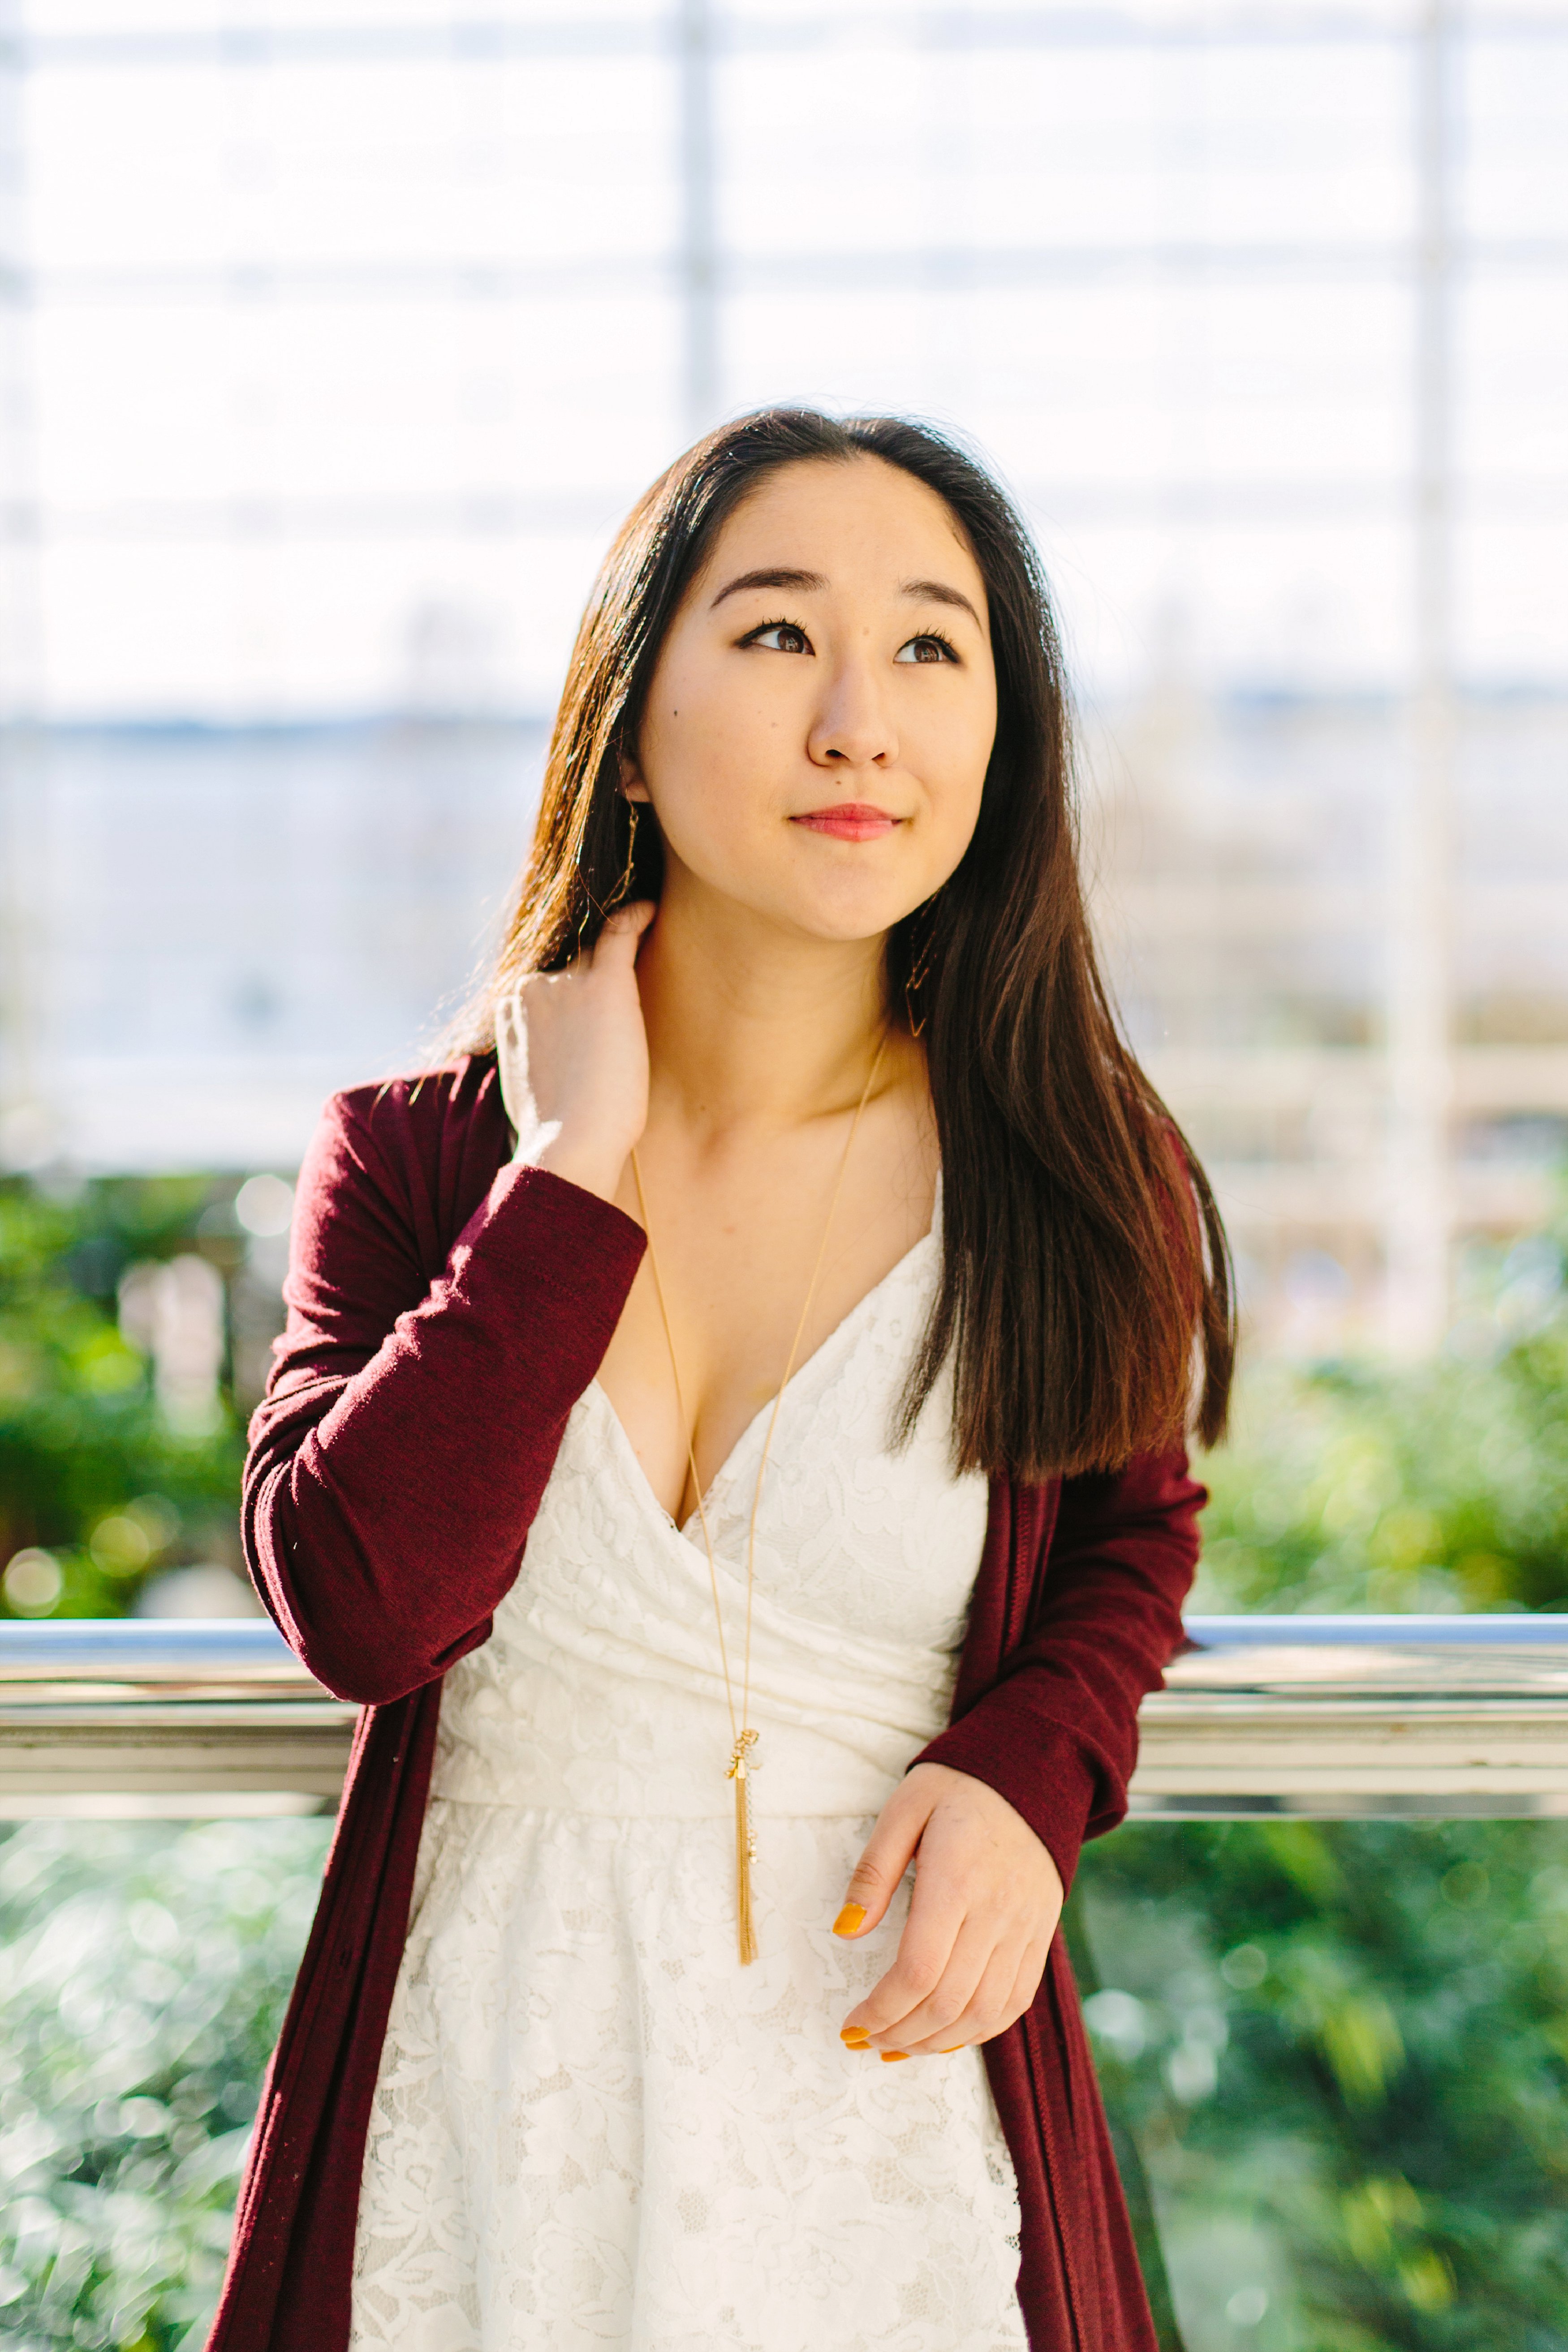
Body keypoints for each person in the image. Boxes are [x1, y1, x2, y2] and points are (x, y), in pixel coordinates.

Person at [208, 408, 1232, 2352]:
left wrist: (1030, 1773)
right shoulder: (426, 1160)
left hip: (886, 2128)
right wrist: (568, 1174)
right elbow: (363, 1602)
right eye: (776, 636)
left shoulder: (1072, 1166)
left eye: (932, 646)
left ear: (999, 731)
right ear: (632, 696)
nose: (860, 720)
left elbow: (1133, 1531)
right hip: (479, 2119)